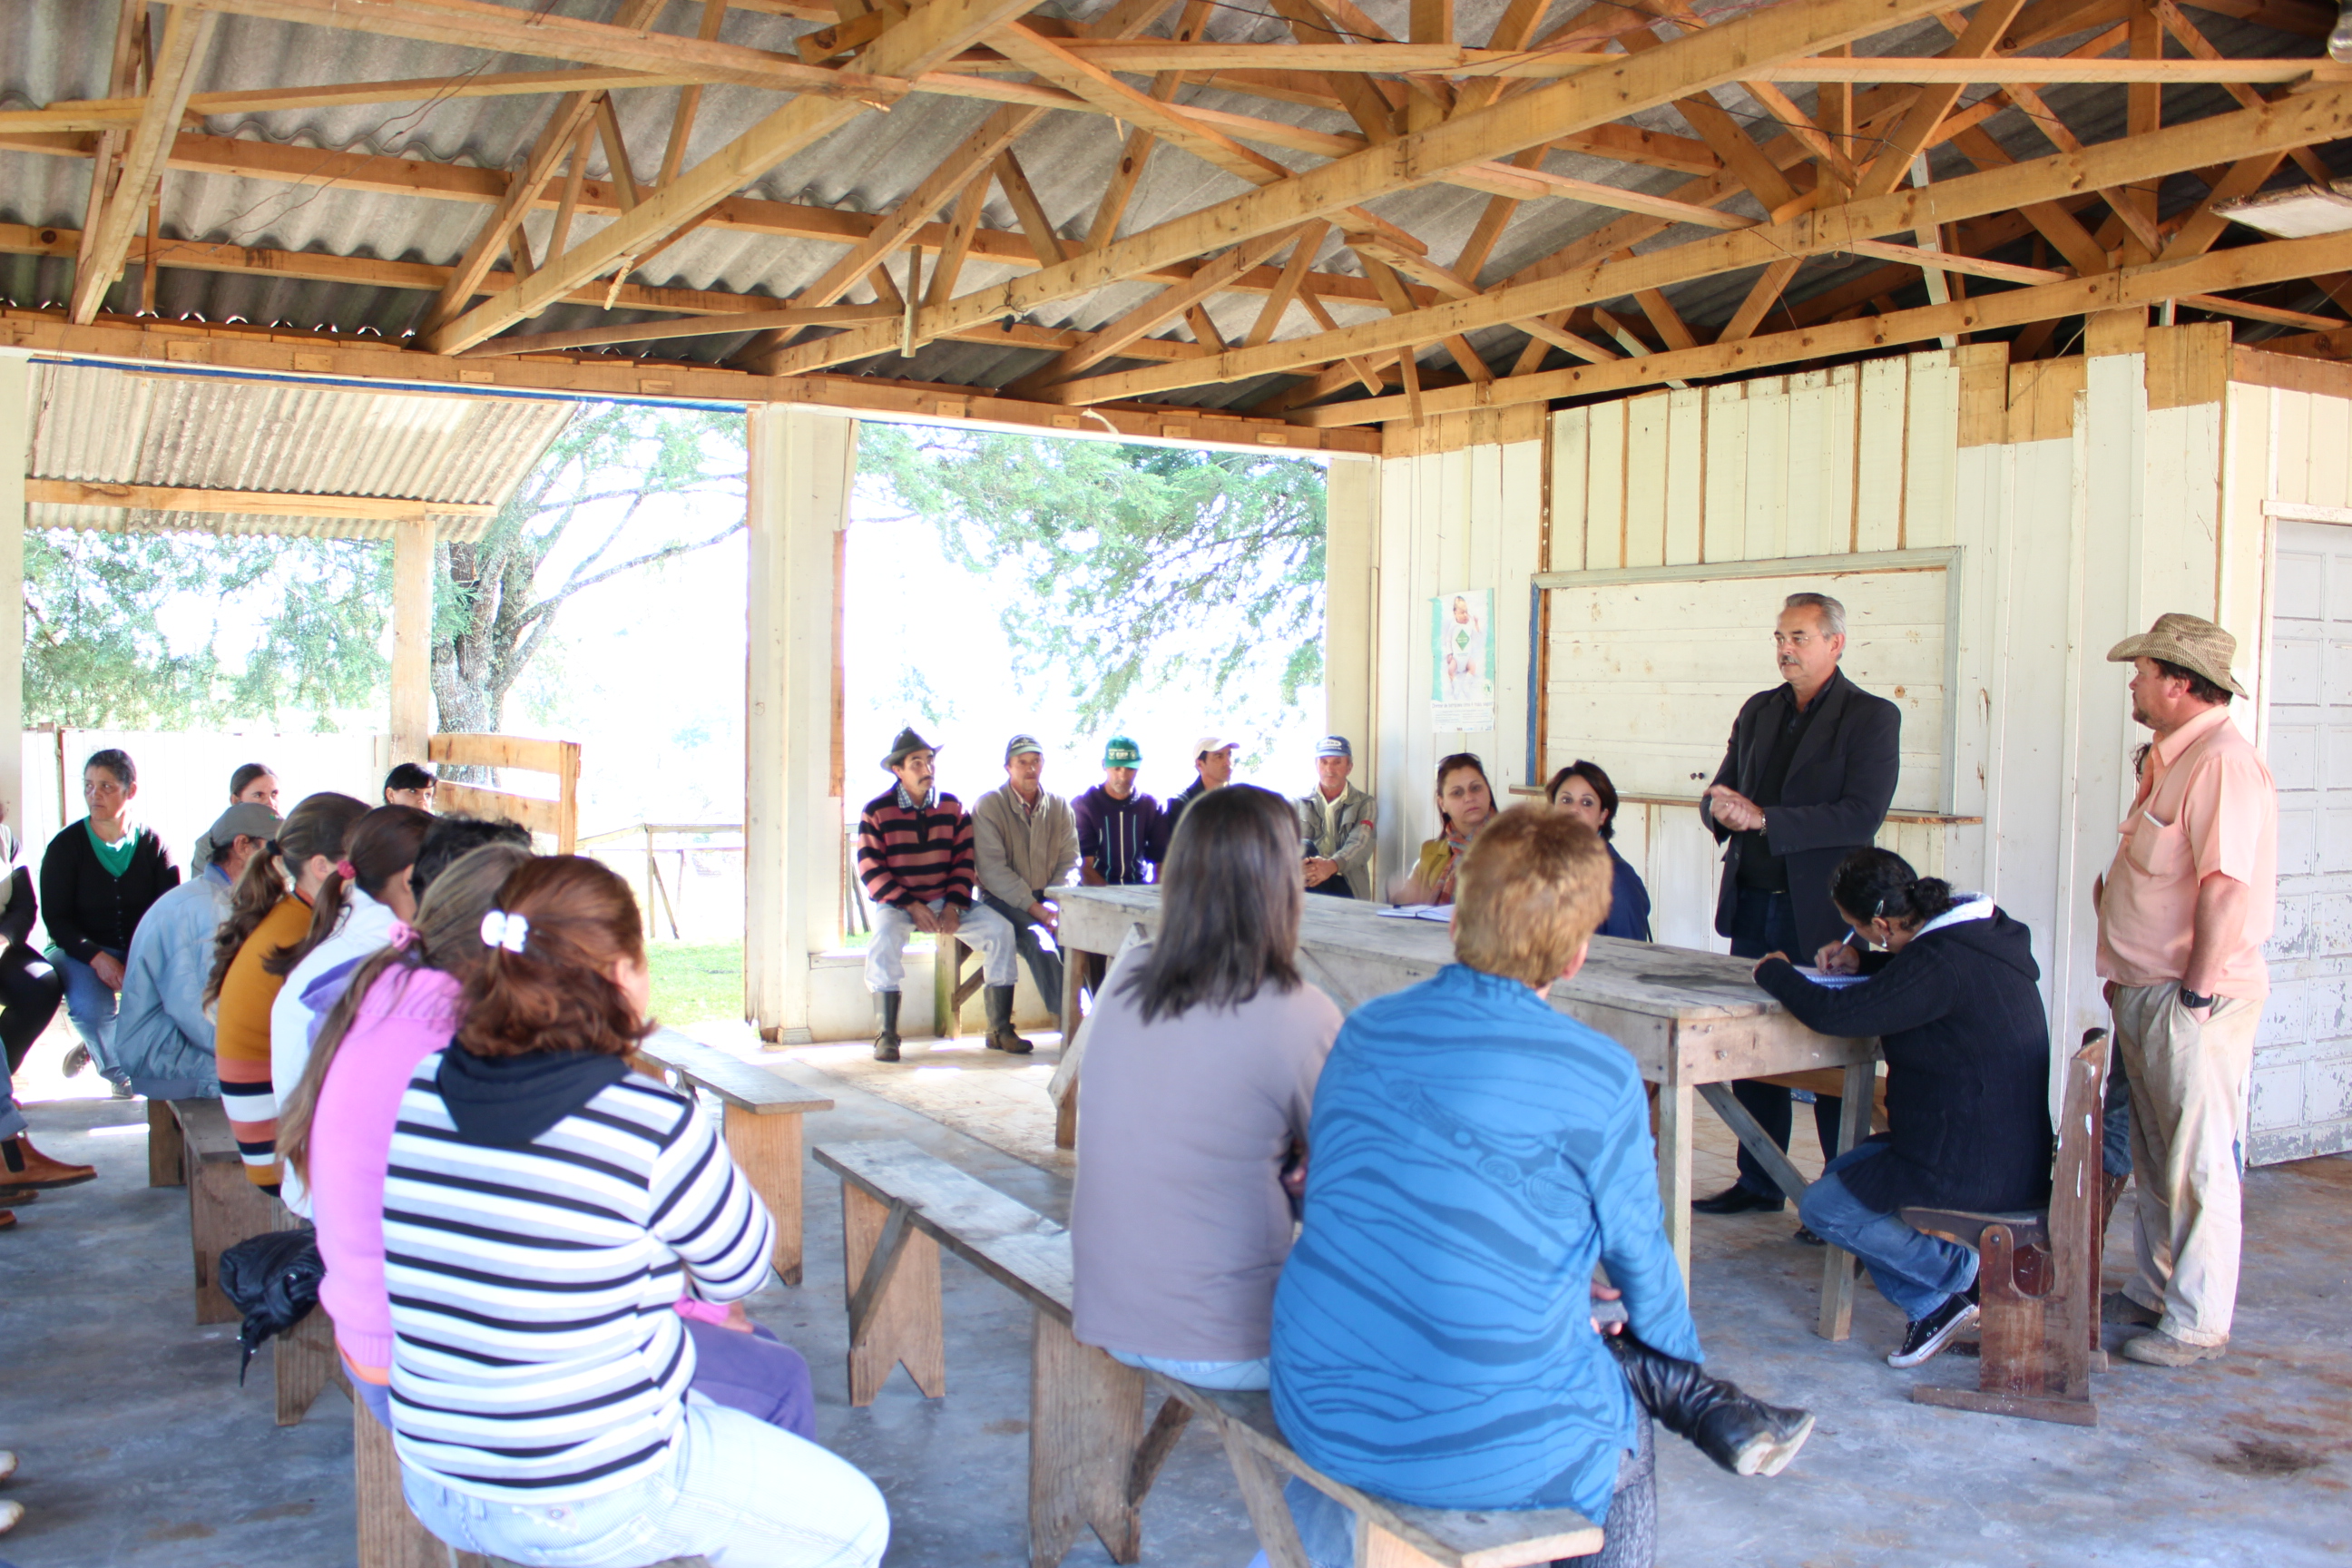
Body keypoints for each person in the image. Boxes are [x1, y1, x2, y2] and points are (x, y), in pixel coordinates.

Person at [1269, 808, 1810, 1568]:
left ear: (1456, 915)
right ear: (1577, 955)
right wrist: (1685, 1369)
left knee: (1557, 1324)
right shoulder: (1600, 1072)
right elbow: (1644, 1271)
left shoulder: (1365, 1030)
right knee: (1623, 1439)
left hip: (1319, 1393)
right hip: (1477, 1442)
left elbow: (1353, 1201)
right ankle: (1691, 1403)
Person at [383, 857, 888, 1568]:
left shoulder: (424, 1086)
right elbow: (744, 1268)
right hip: (584, 1488)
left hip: (438, 1476)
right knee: (855, 1524)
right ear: (620, 974)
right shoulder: (646, 1118)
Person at [1072, 785, 1344, 1390]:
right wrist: (1303, 1168)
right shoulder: (1299, 1011)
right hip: (1228, 1340)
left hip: (1110, 1314)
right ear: (1283, 884)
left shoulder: (1129, 975)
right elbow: (1353, 1185)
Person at [1752, 849, 2053, 1369]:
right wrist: (1866, 962)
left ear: (1882, 924)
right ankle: (1937, 1303)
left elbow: (1835, 1013)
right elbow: (1915, 981)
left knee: (1824, 1207)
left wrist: (1777, 973)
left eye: (1857, 932)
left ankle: (1953, 1279)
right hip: (1998, 1143)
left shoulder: (1939, 963)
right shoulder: (1976, 936)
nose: (1856, 939)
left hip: (1973, 1161)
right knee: (1845, 1171)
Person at [277, 842, 532, 1423]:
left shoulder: (385, 989)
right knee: (762, 1379)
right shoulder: (457, 1039)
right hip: (424, 1364)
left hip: (370, 1332)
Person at [2093, 613, 2277, 1368]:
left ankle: (2197, 1321)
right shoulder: (2172, 758)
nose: (2132, 681)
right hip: (2150, 989)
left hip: (2188, 996)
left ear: (2176, 681)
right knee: (2158, 1151)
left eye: (2141, 670)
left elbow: (2226, 890)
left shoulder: (2222, 764)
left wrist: (2195, 995)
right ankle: (2157, 1287)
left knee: (2199, 1160)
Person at [1693, 592, 1899, 1219]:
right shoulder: (1759, 710)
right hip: (1753, 900)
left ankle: (1839, 1204)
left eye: (1800, 638)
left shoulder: (1870, 717)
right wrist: (1719, 809)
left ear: (1836, 644)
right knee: (1752, 1045)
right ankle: (1760, 1181)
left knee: (1830, 1052)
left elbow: (1862, 813)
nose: (1786, 650)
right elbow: (1723, 788)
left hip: (1820, 910)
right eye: (1780, 638)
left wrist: (1768, 819)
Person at [270, 805, 433, 1214]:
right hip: (342, 1201)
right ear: (411, 880)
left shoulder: (348, 933)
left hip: (311, 1183)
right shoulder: (388, 958)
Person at [209, 792, 368, 1190]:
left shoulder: (297, 916)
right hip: (279, 1155)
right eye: (368, 862)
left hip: (273, 1134)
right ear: (322, 867)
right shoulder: (304, 938)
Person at [857, 729, 1017, 1064]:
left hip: (947, 900)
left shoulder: (952, 806)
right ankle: (886, 1035)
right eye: (917, 762)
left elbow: (964, 860)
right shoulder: (876, 811)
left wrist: (955, 905)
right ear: (898, 771)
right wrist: (910, 905)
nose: (927, 768)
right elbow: (871, 870)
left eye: (930, 760)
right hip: (898, 903)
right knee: (884, 939)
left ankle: (1000, 1028)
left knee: (1001, 931)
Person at [113, 802, 279, 1102]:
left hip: (186, 1046)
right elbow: (203, 1018)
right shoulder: (201, 911)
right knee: (289, 1079)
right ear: (243, 845)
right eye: (275, 850)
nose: (283, 863)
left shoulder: (219, 900)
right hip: (168, 1056)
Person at [41, 750, 181, 1095]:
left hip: (139, 949)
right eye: (89, 786)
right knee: (91, 1010)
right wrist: (97, 958)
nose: (94, 794)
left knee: (173, 998)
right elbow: (56, 919)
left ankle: (103, 1046)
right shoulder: (65, 847)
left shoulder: (153, 846)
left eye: (106, 786)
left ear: (130, 791)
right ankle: (120, 1074)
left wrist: (139, 958)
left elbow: (167, 914)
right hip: (77, 949)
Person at [972, 734, 1078, 1051]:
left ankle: (1103, 1019)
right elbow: (993, 872)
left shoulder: (1059, 806)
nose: (1030, 769)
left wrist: (1055, 902)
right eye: (1022, 763)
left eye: (1036, 762)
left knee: (1083, 940)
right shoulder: (990, 805)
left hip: (1051, 898)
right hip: (1002, 899)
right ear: (1008, 767)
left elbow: (1070, 862)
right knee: (1039, 940)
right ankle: (1072, 1023)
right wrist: (1038, 910)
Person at [1548, 761, 1651, 942]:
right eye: (1566, 800)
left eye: (1587, 803)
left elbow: (1630, 961)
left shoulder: (1617, 881)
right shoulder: (1538, 865)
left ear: (1603, 816)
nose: (1574, 810)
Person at [0, 803, 63, 1094]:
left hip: (2, 942)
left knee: (42, 984)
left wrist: (3, 940)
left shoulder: (7, 840)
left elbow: (24, 906)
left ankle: (2, 1075)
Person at [1402, 752, 1494, 906]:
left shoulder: (1517, 848)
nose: (1469, 798)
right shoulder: (1430, 853)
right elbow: (1404, 904)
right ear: (1442, 803)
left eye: (1476, 788)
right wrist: (1399, 897)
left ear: (1488, 792)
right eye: (1457, 793)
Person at [1073, 737, 1162, 888]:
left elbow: (1161, 860)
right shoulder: (1085, 805)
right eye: (1117, 768)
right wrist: (1115, 901)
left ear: (1139, 767)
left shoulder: (1151, 806)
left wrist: (1152, 895)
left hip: (1139, 891)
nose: (1123, 776)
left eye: (1130, 768)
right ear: (1104, 765)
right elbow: (1085, 867)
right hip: (1094, 895)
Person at [1294, 737, 1375, 901]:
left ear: (1349, 767)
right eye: (1324, 762)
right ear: (1316, 765)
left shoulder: (1365, 803)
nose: (1329, 769)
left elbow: (1360, 844)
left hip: (1346, 883)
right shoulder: (1297, 803)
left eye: (1337, 762)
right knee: (1304, 847)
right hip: (1307, 884)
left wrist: (1330, 866)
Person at [191, 762, 281, 868]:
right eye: (258, 795)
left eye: (274, 794)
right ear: (235, 800)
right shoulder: (210, 843)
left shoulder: (288, 835)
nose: (270, 803)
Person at [1161, 734, 1237, 839]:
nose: (1227, 762)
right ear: (1200, 764)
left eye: (1229, 755)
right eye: (1219, 756)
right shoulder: (1181, 806)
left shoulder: (1242, 802)